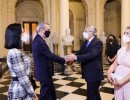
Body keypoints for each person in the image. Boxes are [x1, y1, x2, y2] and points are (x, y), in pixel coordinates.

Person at [67, 25, 104, 100]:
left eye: (85, 31)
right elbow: (80, 52)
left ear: (91, 32)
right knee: (95, 93)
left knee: (91, 95)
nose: (83, 33)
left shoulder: (98, 42)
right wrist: (72, 57)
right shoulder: (85, 42)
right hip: (88, 73)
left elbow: (91, 55)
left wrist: (76, 57)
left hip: (94, 73)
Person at [32, 23, 67, 100]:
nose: (49, 31)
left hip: (44, 71)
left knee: (51, 92)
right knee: (44, 93)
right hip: (43, 72)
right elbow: (50, 55)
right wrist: (64, 60)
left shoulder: (39, 39)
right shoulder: (39, 41)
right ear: (41, 30)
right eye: (48, 30)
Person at [4, 23, 37, 100]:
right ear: (16, 35)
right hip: (19, 91)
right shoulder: (14, 52)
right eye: (22, 32)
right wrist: (33, 94)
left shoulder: (18, 51)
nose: (25, 33)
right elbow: (22, 77)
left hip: (23, 89)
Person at [107, 26, 130, 100]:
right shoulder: (121, 49)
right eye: (124, 33)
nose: (124, 35)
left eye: (127, 33)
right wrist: (109, 73)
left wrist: (121, 82)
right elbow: (115, 64)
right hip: (117, 80)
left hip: (127, 82)